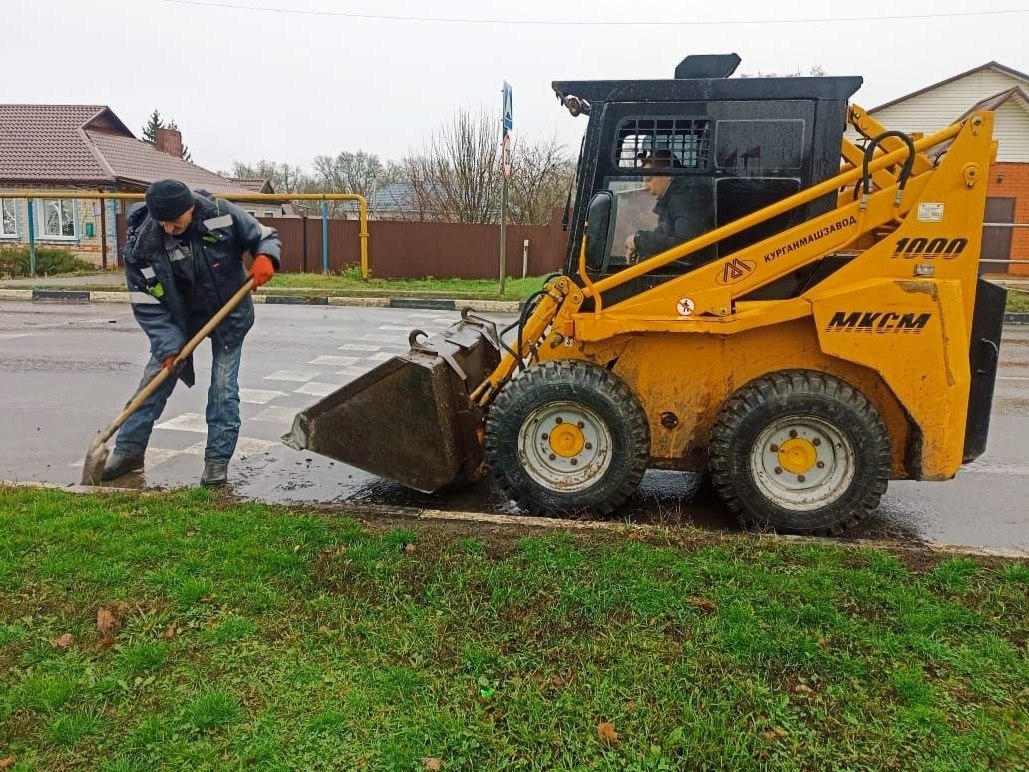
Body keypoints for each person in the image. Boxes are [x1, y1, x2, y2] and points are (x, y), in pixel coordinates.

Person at [101, 179, 281, 486]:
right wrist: (169, 347)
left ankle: (216, 463)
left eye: (176, 221)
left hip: (228, 314)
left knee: (223, 389)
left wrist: (266, 255)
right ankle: (129, 452)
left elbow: (263, 235)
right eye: (163, 223)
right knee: (154, 381)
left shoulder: (220, 214)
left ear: (191, 208)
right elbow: (148, 306)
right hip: (178, 322)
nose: (170, 229)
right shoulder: (140, 248)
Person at [624, 149, 715, 266]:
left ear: (668, 174)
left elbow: (686, 246)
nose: (645, 187)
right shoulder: (675, 197)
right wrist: (639, 241)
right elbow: (665, 234)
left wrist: (639, 240)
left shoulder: (685, 198)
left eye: (648, 179)